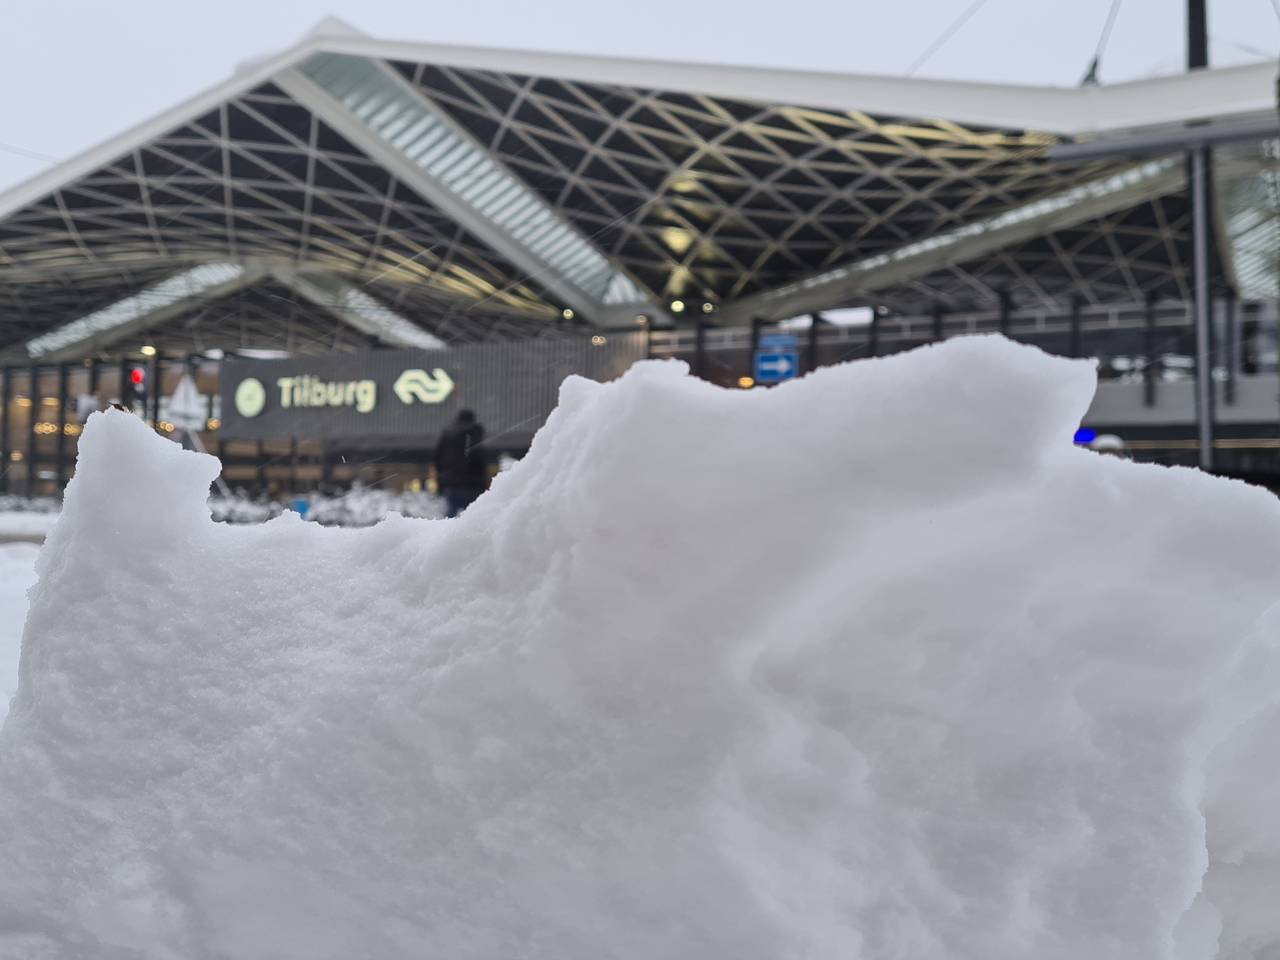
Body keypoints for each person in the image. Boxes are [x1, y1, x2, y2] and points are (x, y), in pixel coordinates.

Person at [434, 409, 488, 517]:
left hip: (452, 483)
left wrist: (441, 482)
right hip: (473, 484)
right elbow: (479, 460)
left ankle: (448, 533)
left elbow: (438, 460)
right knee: (474, 517)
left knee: (450, 516)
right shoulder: (474, 433)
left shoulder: (449, 434)